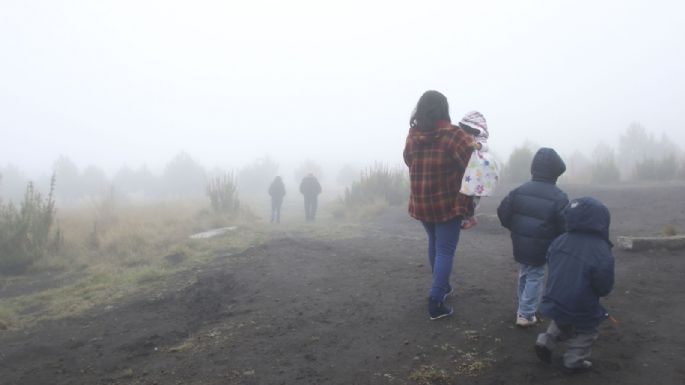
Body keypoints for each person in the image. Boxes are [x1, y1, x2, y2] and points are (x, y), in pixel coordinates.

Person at [403, 90, 475, 320]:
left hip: (422, 203)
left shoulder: (413, 135)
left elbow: (407, 159)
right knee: (445, 250)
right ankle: (435, 302)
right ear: (444, 110)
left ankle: (442, 287)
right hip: (448, 203)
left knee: (435, 243)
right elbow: (472, 165)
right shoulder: (454, 135)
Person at [535, 197, 615, 373]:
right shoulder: (601, 248)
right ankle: (573, 360)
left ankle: (545, 341)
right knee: (587, 330)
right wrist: (602, 290)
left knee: (561, 319)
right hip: (582, 300)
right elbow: (603, 282)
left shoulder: (560, 239)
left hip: (555, 293)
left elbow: (551, 260)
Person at [497, 147, 568, 327]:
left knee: (526, 273)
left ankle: (523, 307)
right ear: (556, 172)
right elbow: (564, 224)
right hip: (542, 245)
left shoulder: (519, 190)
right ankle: (526, 314)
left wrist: (515, 228)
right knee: (535, 275)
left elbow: (503, 212)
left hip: (520, 241)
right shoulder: (559, 197)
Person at [457, 111, 499, 230]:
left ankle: (469, 217)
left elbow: (484, 146)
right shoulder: (462, 137)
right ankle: (469, 217)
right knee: (468, 190)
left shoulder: (479, 139)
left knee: (474, 194)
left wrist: (476, 146)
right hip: (471, 170)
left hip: (479, 169)